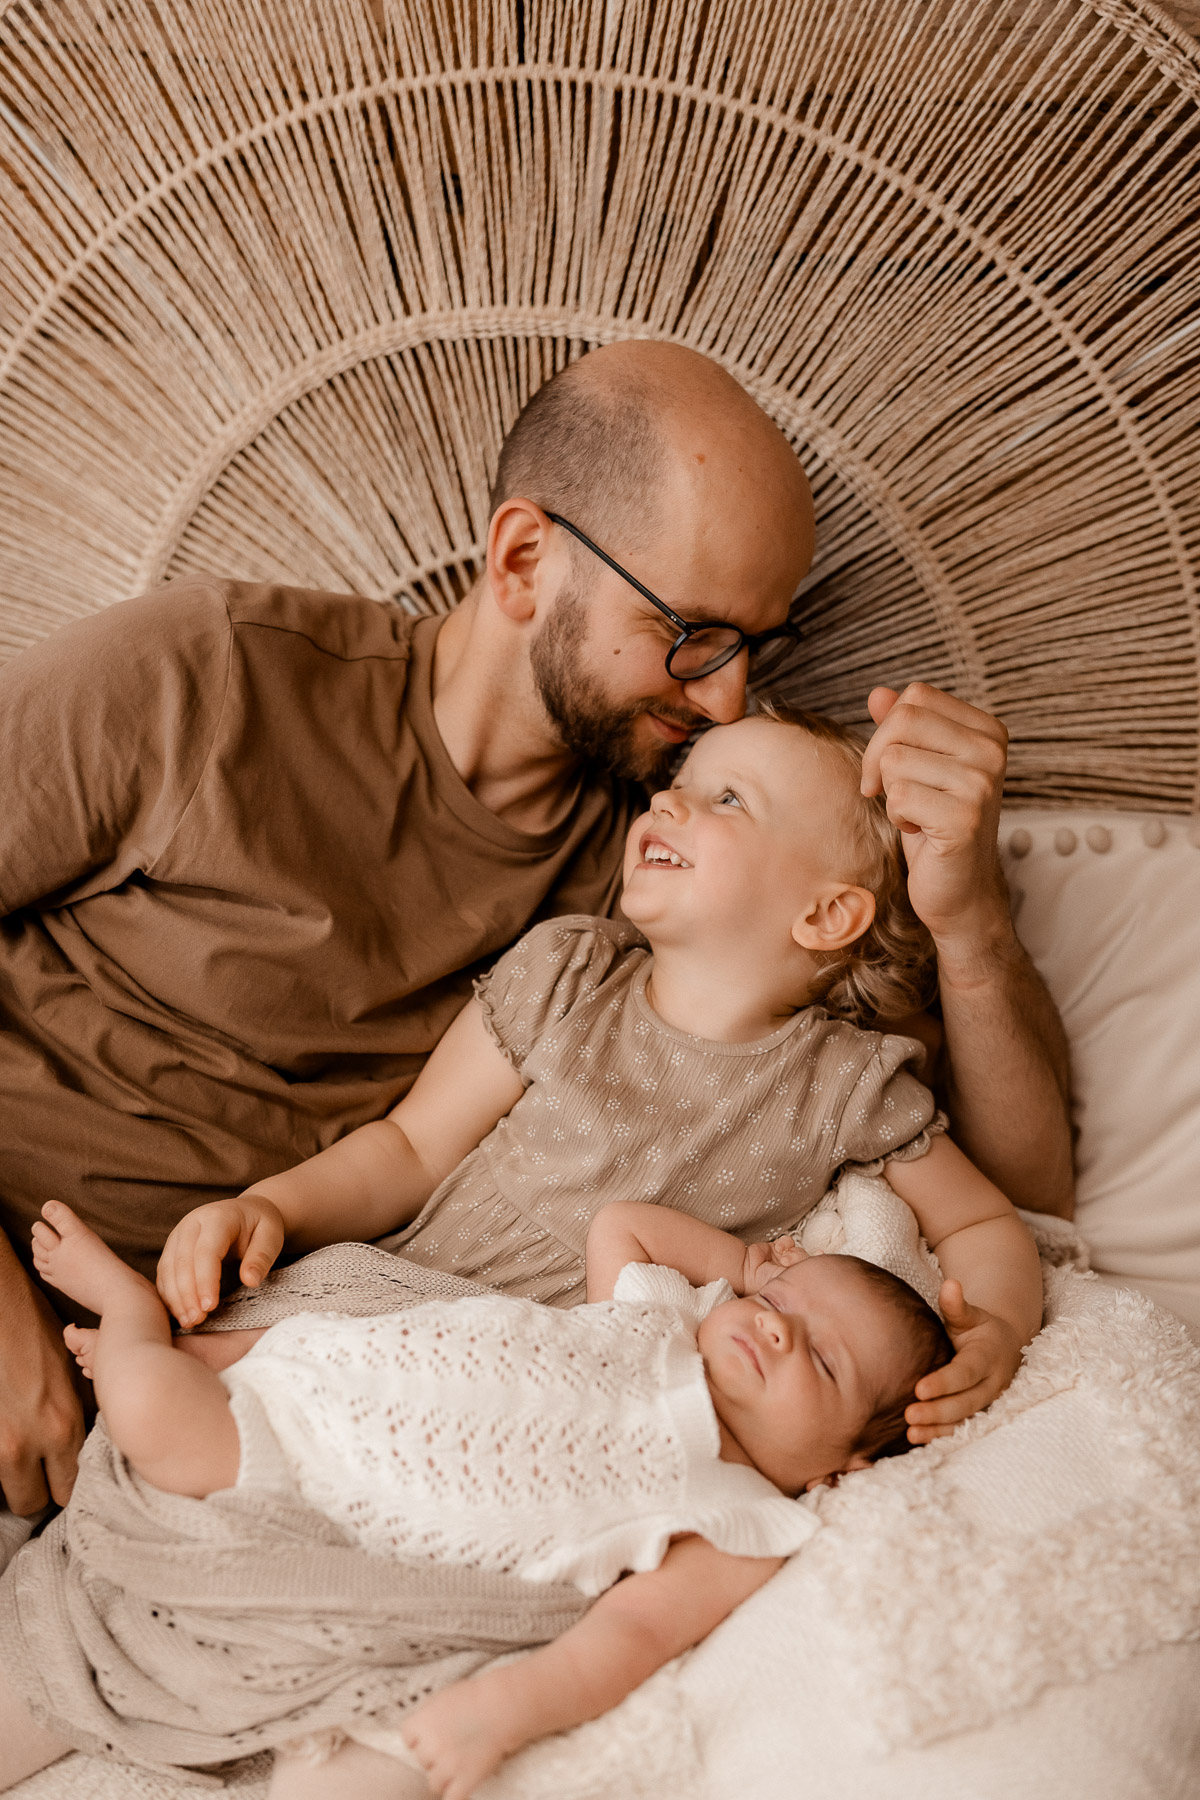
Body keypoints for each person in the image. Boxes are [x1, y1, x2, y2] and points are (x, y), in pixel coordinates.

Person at [0, 340, 1071, 1517]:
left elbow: (1024, 1197)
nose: (724, 696)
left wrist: (966, 913)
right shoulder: (205, 675)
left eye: (755, 649)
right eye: (692, 631)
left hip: (252, 1395)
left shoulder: (670, 892)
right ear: (523, 561)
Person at [159, 708, 1044, 1445]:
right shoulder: (569, 974)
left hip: (567, 1390)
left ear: (825, 914)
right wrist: (272, 1206)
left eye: (728, 799)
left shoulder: (841, 1085)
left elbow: (980, 1220)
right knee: (229, 1386)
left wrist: (997, 1330)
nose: (667, 799)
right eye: (680, 782)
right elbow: (409, 1148)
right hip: (411, 1304)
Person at [9, 1191, 957, 1800]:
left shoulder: (741, 1518)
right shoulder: (655, 1319)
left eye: (822, 1360)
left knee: (370, 1776)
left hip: (364, 1559)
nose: (779, 1331)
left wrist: (504, 1711)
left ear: (842, 1469)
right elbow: (621, 1222)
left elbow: (631, 1635)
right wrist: (748, 1267)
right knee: (149, 1411)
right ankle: (133, 1316)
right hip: (296, 1419)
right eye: (778, 1306)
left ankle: (142, 1354)